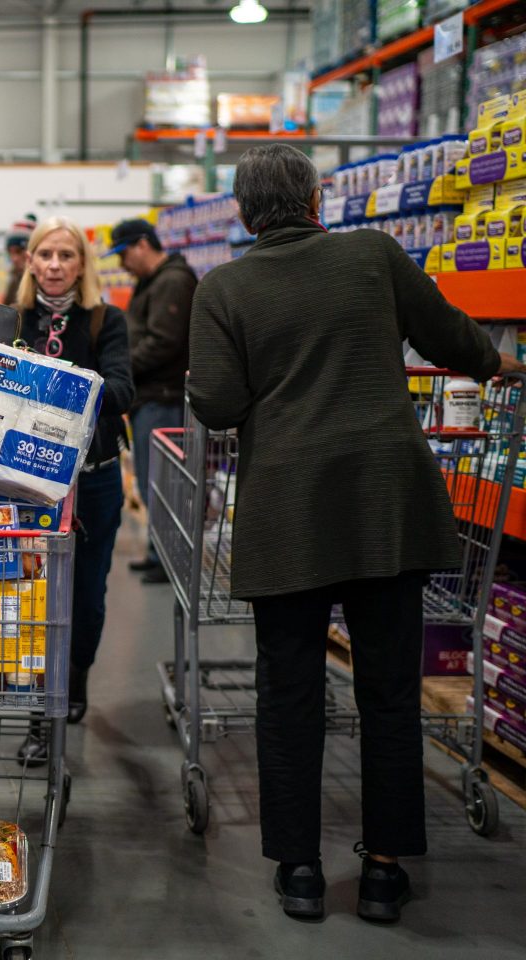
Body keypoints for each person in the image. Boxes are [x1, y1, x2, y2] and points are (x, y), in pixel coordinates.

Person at [188, 144, 526, 924]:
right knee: (388, 690)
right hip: (385, 501)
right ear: (317, 202)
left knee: (291, 690)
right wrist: (497, 365)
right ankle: (381, 871)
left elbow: (218, 404)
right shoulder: (373, 254)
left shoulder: (225, 287)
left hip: (289, 513)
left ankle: (301, 871)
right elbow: (449, 338)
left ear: (243, 213)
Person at [13, 216, 134, 755]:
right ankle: (41, 705)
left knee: (86, 593)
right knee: (32, 594)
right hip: (25, 482)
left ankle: (74, 678)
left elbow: (123, 390)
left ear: (81, 265)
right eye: (46, 255)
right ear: (30, 261)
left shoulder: (106, 320)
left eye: (66, 255)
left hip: (95, 479)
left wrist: (52, 386)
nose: (55, 265)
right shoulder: (11, 317)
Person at [110, 217, 197, 584]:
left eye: (124, 252)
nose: (121, 263)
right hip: (149, 397)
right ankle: (158, 552)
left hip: (163, 397)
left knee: (163, 485)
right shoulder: (153, 282)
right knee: (152, 482)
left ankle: (169, 559)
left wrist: (120, 368)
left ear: (143, 244)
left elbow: (163, 343)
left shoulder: (173, 281)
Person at [0, 217, 34, 307]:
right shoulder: (14, 277)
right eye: (10, 252)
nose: (14, 258)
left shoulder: (43, 282)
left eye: (19, 251)